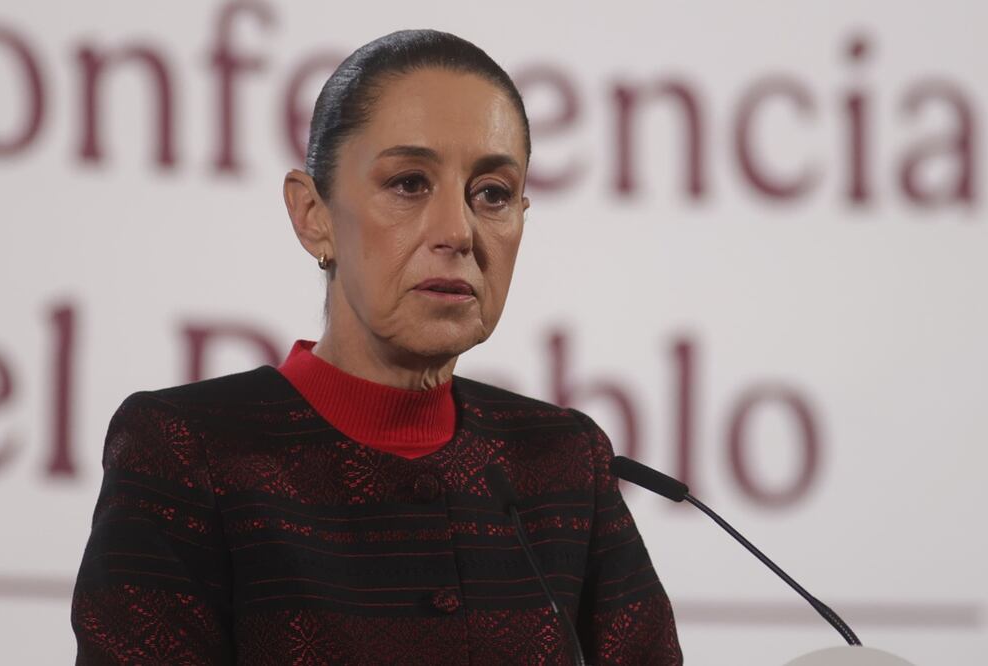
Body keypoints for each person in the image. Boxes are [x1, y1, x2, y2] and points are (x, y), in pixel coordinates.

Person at [70, 29, 683, 665]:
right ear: (313, 215)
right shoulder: (184, 452)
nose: (457, 232)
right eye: (409, 183)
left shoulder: (563, 464)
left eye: (493, 194)